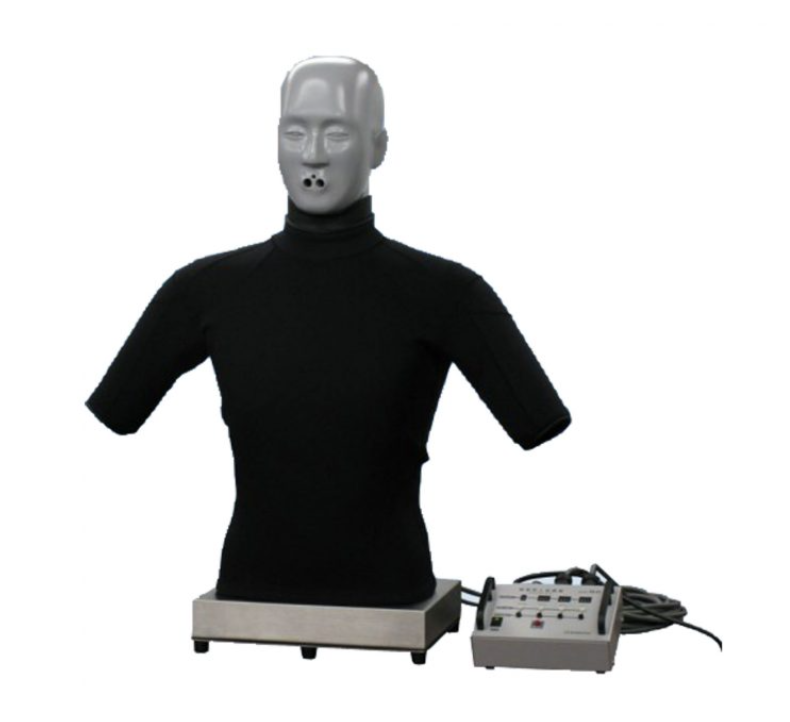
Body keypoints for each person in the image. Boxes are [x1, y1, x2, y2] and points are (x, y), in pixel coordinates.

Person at [86, 55, 571, 607]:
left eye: (336, 133)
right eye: (295, 132)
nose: (312, 154)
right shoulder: (203, 289)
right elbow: (118, 410)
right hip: (251, 591)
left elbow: (537, 420)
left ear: (379, 148)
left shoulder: (447, 293)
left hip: (391, 591)